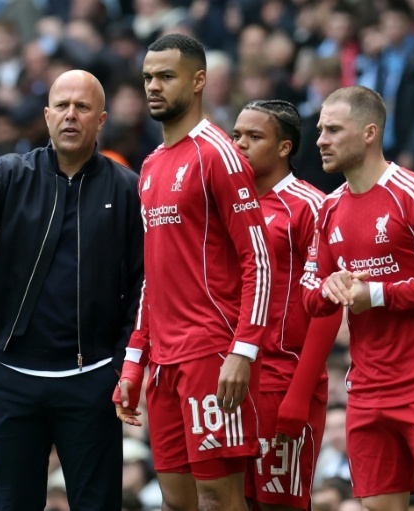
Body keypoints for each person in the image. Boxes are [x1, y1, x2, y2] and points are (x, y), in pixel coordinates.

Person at [0, 69, 144, 510]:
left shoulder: (128, 189)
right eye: (62, 106)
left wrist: (119, 362)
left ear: (101, 120)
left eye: (83, 107)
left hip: (90, 380)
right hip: (14, 378)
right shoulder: (13, 172)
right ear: (47, 115)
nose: (70, 115)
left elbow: (141, 284)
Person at [294, 86, 414, 511]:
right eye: (320, 129)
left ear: (369, 132)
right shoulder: (328, 208)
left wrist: (375, 293)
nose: (320, 139)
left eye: (334, 129)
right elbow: (309, 294)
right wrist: (328, 288)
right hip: (366, 390)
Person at [114, 34, 274, 510]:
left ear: (199, 80)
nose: (154, 87)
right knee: (175, 502)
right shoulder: (150, 165)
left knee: (218, 500)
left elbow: (258, 260)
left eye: (166, 76)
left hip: (211, 352)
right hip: (163, 362)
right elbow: (153, 277)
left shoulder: (218, 153)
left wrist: (243, 351)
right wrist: (133, 361)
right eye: (148, 78)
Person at [232, 99, 343, 510]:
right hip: (230, 377)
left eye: (254, 137)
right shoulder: (226, 203)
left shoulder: (312, 205)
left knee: (280, 504)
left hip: (283, 377)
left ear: (284, 147)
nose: (240, 145)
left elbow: (329, 303)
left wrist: (300, 392)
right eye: (237, 135)